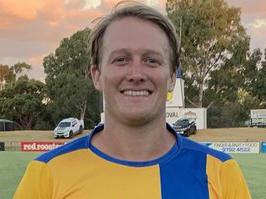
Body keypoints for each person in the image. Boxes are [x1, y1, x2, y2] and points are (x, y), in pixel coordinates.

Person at [13, 1, 251, 199]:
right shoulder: (46, 173)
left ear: (171, 77)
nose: (136, 74)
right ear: (96, 75)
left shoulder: (220, 173)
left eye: (151, 60)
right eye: (121, 59)